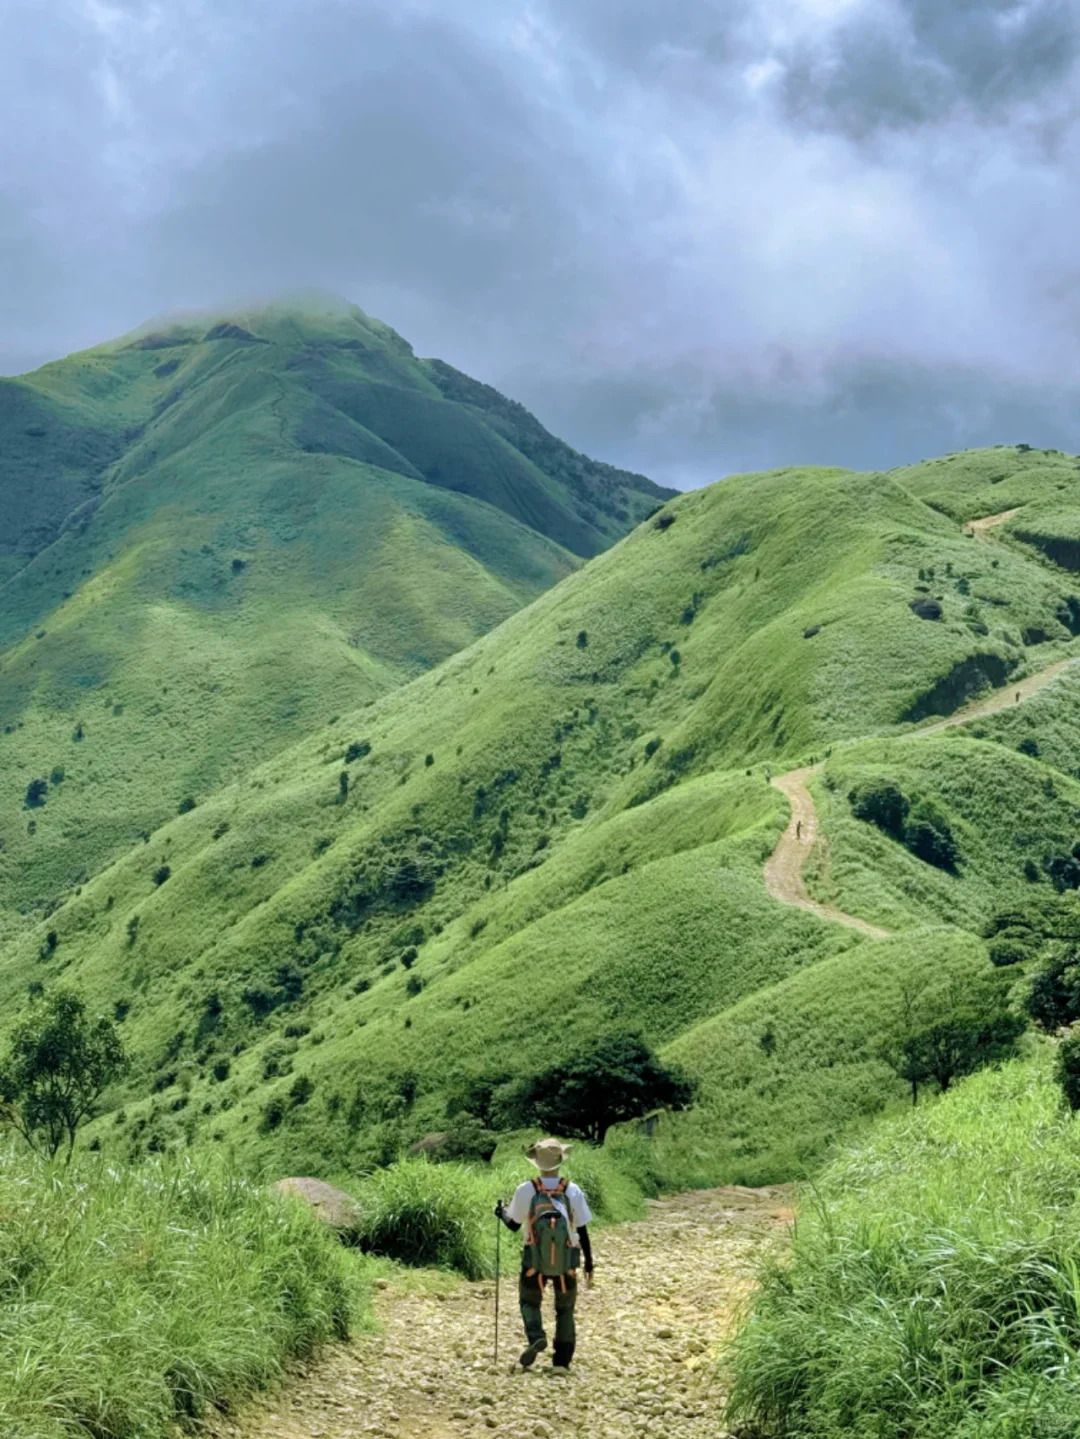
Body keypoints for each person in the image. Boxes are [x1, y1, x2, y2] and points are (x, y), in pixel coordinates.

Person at [495, 1137, 594, 1372]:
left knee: (529, 1301)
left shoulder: (526, 1189)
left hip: (533, 1260)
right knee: (565, 1309)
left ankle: (536, 1335)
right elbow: (582, 1229)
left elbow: (514, 1225)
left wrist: (500, 1213)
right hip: (566, 1261)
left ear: (537, 1164)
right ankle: (562, 1360)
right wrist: (589, 1263)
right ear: (560, 1161)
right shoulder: (572, 1190)